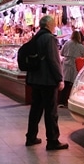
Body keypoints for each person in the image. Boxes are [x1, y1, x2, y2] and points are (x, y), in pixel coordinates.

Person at [25, 15, 69, 151]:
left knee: (36, 109)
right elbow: (53, 60)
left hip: (35, 79)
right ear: (49, 25)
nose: (55, 26)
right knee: (51, 112)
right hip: (47, 81)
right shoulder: (49, 38)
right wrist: (59, 78)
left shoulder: (36, 36)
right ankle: (52, 141)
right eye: (54, 24)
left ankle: (31, 137)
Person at [59, 31, 84, 108]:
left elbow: (61, 53)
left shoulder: (67, 43)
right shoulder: (81, 47)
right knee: (74, 84)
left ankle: (61, 102)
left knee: (66, 83)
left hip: (66, 64)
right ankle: (72, 100)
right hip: (75, 65)